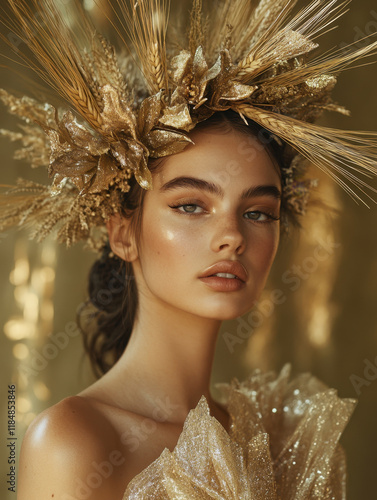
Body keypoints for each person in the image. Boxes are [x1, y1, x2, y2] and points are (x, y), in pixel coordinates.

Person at [0, 0, 376, 498]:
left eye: (258, 212)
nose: (233, 236)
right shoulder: (74, 442)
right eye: (191, 205)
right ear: (123, 232)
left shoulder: (289, 442)